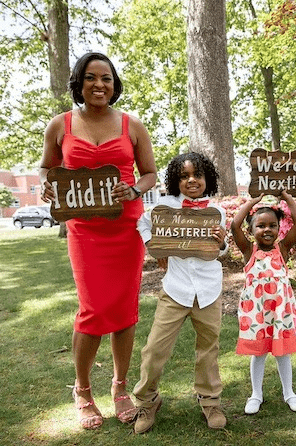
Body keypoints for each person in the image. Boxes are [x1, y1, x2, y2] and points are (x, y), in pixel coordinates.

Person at [39, 52, 158, 430]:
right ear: (79, 82)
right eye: (91, 78)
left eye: (106, 78)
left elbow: (150, 173)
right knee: (92, 310)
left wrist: (135, 190)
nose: (99, 85)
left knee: (124, 311)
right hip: (85, 231)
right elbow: (46, 167)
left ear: (114, 84)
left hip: (125, 230)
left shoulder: (132, 125)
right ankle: (83, 389)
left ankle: (120, 387)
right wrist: (47, 183)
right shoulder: (60, 125)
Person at [133, 152, 228, 434]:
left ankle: (210, 401)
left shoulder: (217, 211)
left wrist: (222, 243)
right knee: (154, 349)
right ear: (176, 181)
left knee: (208, 350)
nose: (191, 181)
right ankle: (147, 401)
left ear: (207, 178)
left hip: (209, 290)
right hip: (175, 289)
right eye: (184, 176)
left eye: (197, 175)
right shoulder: (164, 206)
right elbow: (142, 222)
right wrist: (153, 244)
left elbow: (220, 250)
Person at [230, 190, 296, 415]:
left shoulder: (282, 250)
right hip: (257, 313)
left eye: (272, 225)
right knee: (259, 353)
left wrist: (285, 197)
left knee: (283, 352)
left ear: (278, 229)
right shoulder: (248, 251)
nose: (267, 230)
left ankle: (289, 393)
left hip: (281, 311)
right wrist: (253, 201)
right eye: (260, 226)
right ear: (251, 230)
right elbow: (234, 225)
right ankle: (256, 394)